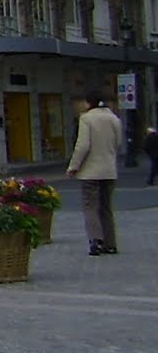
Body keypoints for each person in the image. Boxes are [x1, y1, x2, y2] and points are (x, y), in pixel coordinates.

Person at [67, 90, 124, 256]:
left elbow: (83, 145)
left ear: (88, 102)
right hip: (109, 170)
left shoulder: (86, 119)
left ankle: (96, 240)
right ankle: (110, 243)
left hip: (90, 171)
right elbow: (118, 142)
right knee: (106, 207)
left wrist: (73, 166)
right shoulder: (114, 118)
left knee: (90, 206)